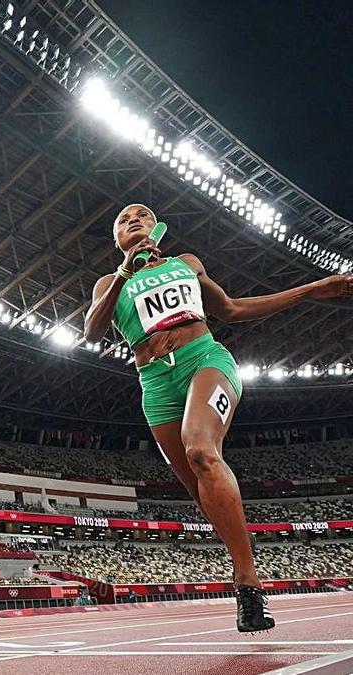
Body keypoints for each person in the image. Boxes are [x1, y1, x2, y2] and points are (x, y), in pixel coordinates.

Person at [85, 203, 353, 633]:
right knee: (199, 491)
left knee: (201, 450)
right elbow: (92, 331)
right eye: (122, 219)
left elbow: (230, 310)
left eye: (142, 215)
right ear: (116, 238)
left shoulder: (185, 263)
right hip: (154, 385)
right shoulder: (108, 283)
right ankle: (242, 567)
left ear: (158, 228)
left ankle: (247, 583)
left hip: (204, 359)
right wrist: (123, 274)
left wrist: (309, 289)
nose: (133, 219)